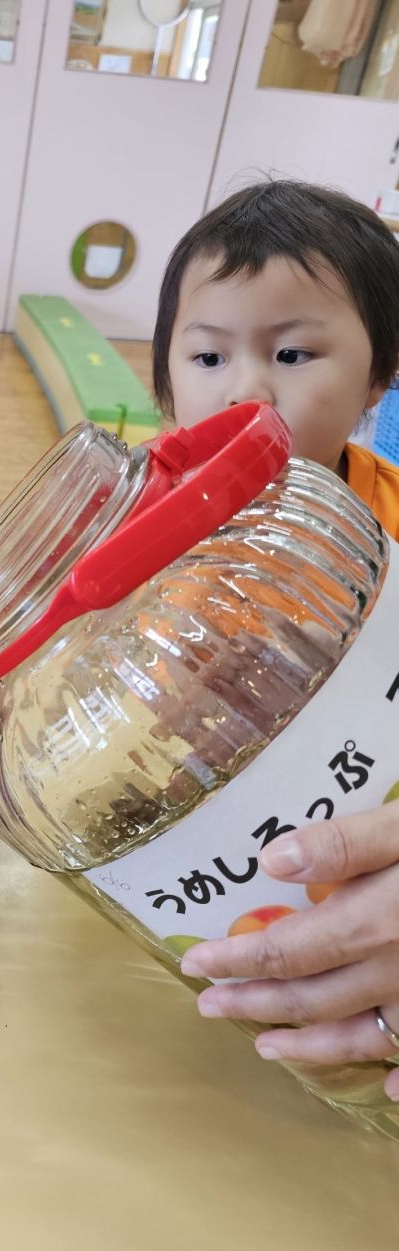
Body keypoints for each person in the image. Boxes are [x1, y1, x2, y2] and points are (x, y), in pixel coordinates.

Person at [150, 179, 399, 1097]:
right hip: (203, 854)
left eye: (293, 352)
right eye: (208, 356)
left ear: (381, 376)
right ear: (166, 374)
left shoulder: (388, 525)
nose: (248, 389)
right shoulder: (140, 525)